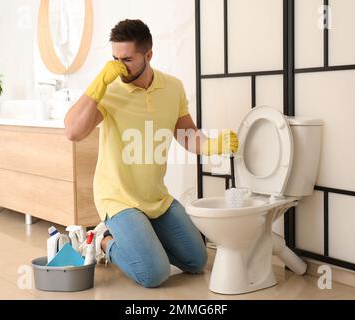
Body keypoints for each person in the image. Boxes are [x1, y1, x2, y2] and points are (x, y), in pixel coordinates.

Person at [64, 19, 238, 288]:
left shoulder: (173, 88)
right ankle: (104, 240)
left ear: (148, 55)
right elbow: (73, 132)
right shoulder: (110, 89)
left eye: (127, 59)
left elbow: (187, 134)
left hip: (156, 197)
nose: (119, 66)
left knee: (196, 260)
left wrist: (214, 145)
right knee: (154, 274)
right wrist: (100, 81)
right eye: (114, 58)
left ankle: (143, 239)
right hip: (119, 198)